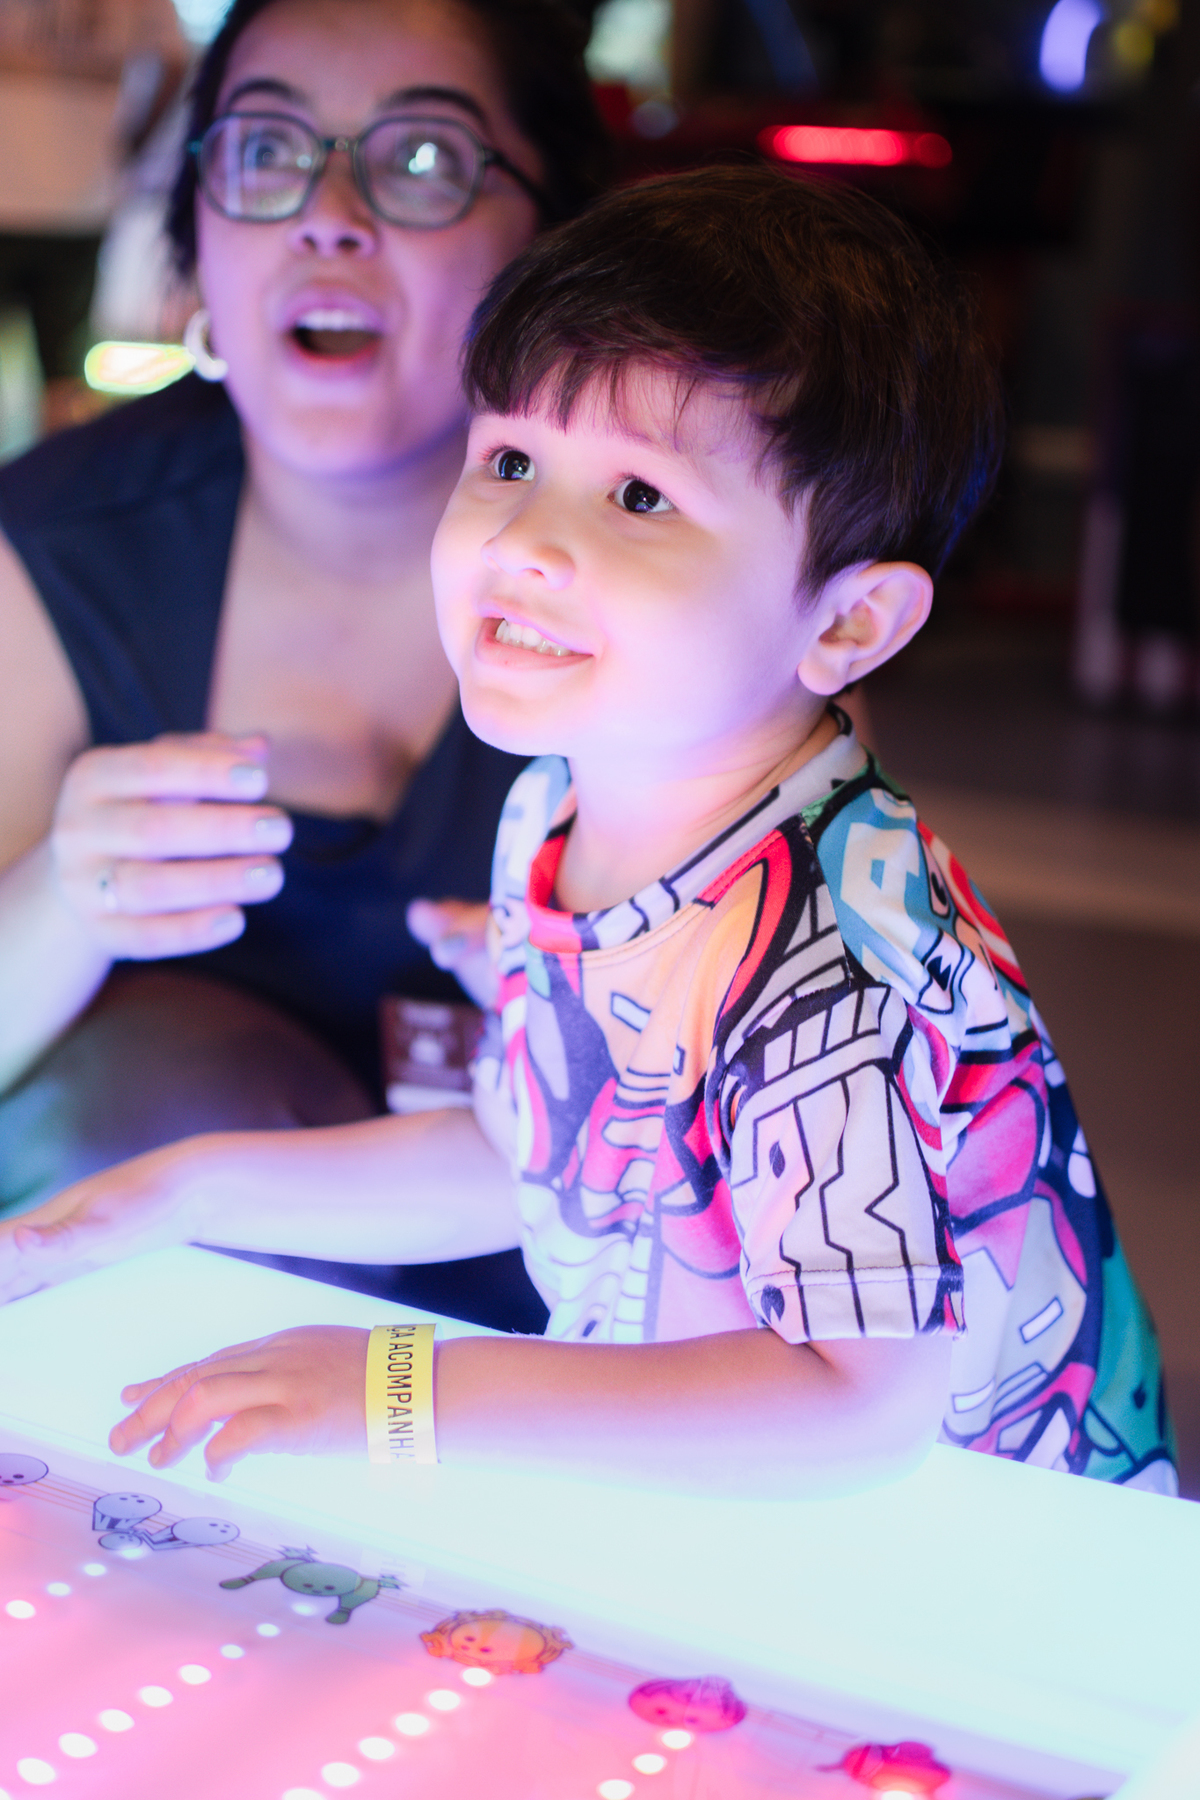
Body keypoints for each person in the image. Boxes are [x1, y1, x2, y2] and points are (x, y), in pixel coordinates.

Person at [1, 166, 1174, 1499]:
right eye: (507, 459)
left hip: (970, 1601)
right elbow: (540, 1161)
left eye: (637, 497)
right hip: (731, 1535)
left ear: (849, 624)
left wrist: (394, 1386)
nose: (523, 542)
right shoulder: (562, 802)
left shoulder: (834, 954)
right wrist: (170, 1193)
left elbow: (853, 1403)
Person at [0, 0, 608, 1329]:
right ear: (198, 234)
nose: (329, 215)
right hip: (157, 1339)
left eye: (426, 159)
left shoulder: (667, 550)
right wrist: (62, 897)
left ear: (552, 242)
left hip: (589, 1336)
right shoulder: (57, 546)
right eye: (267, 153)